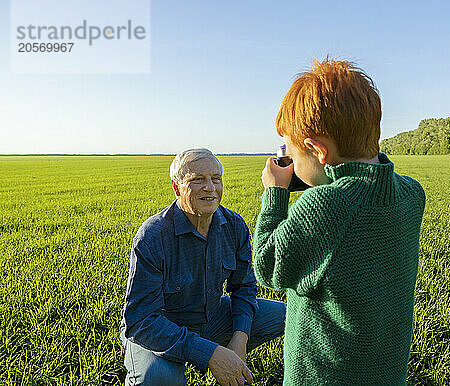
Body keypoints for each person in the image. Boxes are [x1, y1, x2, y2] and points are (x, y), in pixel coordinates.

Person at [252, 58, 426, 385]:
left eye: (291, 152)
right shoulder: (411, 195)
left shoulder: (325, 206)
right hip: (386, 373)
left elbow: (267, 266)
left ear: (318, 150)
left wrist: (275, 193)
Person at [120, 148, 286, 385]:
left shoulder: (234, 225)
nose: (210, 187)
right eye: (197, 180)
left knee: (291, 316)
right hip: (163, 328)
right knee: (156, 378)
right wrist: (210, 354)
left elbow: (244, 288)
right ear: (177, 187)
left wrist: (239, 340)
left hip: (213, 315)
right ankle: (178, 361)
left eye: (215, 179)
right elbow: (141, 320)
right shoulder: (153, 235)